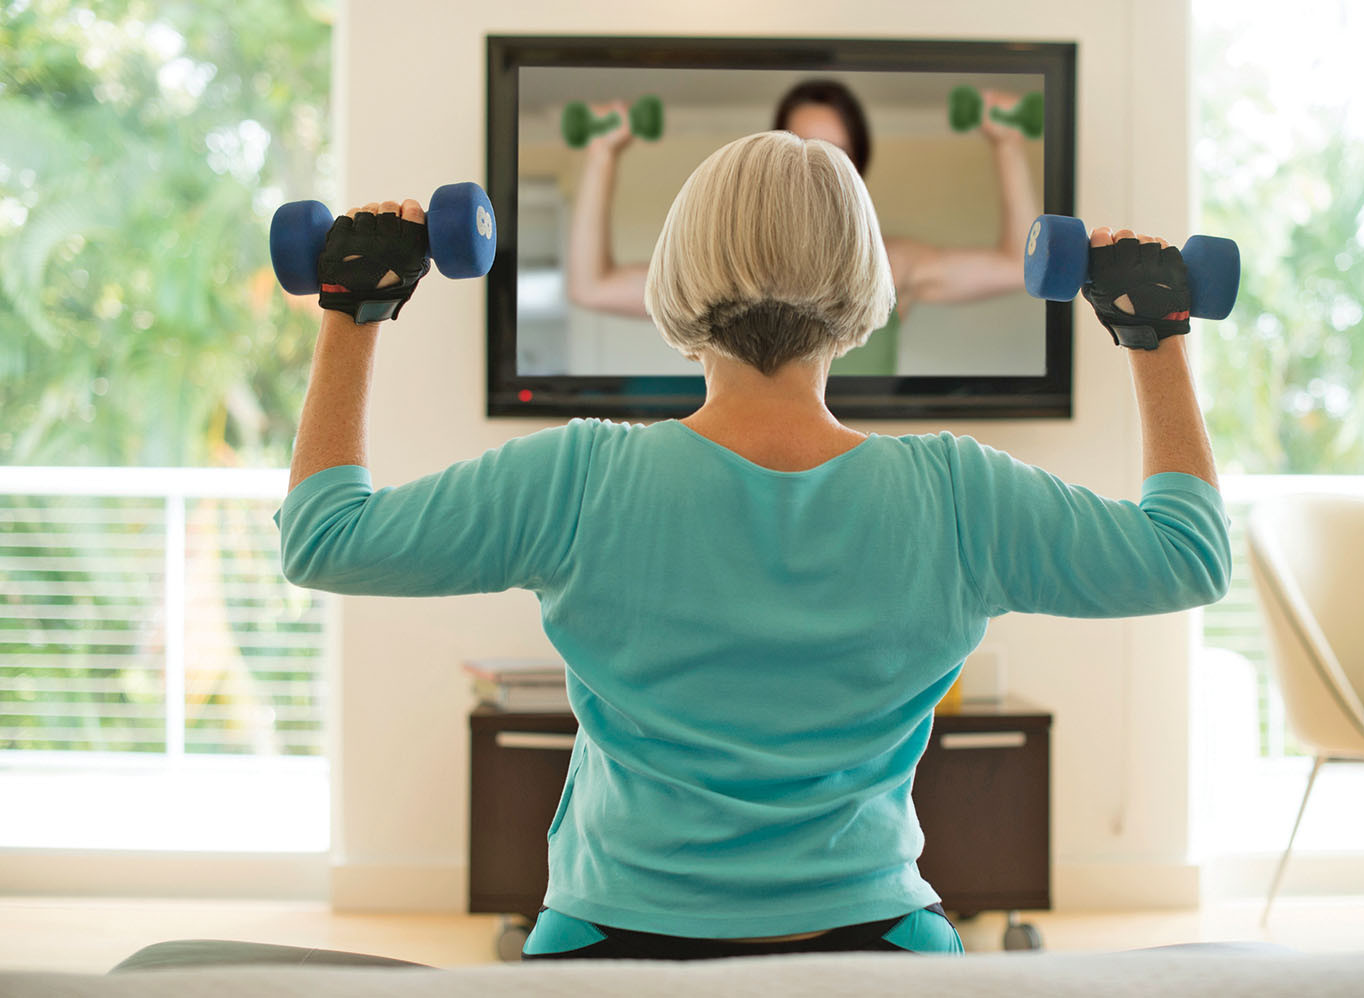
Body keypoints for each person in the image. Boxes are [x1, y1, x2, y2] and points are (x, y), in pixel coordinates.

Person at [275, 131, 1229, 960]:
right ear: (863, 281)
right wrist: (1154, 335)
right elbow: (1188, 555)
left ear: (680, 273)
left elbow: (324, 539)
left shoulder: (574, 478)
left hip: (610, 949)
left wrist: (352, 309)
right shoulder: (958, 494)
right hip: (878, 948)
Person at [566, 79, 1038, 374]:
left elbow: (1022, 265)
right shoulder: (732, 259)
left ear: (856, 170)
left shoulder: (891, 264)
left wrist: (1007, 144)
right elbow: (592, 287)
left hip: (859, 472)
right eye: (802, 148)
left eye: (834, 155)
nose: (815, 170)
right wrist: (602, 153)